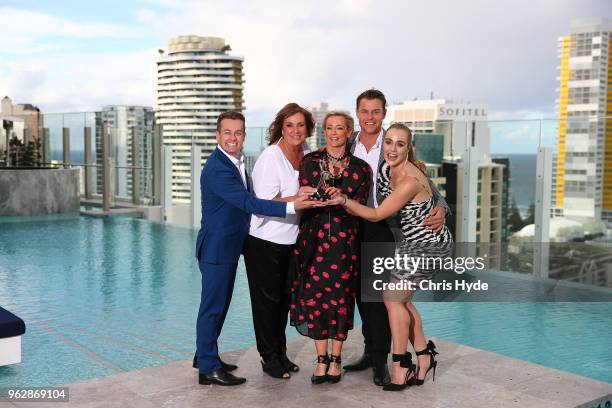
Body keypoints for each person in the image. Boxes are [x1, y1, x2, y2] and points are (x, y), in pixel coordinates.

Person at [194, 111, 320, 386]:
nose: (233, 137)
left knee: (220, 306)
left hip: (229, 246)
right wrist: (292, 205)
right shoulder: (218, 168)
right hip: (217, 248)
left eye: (238, 133)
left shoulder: (234, 162)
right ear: (217, 135)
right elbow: (250, 203)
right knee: (212, 309)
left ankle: (204, 355)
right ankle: (207, 368)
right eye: (227, 132)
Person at [327, 123, 452, 391]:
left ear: (409, 148)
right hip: (410, 244)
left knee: (393, 299)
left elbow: (376, 214)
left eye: (400, 144)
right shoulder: (386, 168)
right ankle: (424, 355)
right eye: (389, 142)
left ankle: (400, 365)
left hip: (430, 245)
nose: (392, 149)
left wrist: (343, 200)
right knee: (402, 302)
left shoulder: (410, 180)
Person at [289, 111, 371, 384]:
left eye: (340, 128)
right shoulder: (309, 161)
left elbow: (358, 206)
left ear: (349, 132)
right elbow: (308, 194)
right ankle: (321, 358)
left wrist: (340, 198)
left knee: (340, 300)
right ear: (324, 132)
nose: (334, 133)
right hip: (313, 241)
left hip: (345, 243)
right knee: (315, 299)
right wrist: (330, 196)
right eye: (329, 128)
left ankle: (336, 359)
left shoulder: (361, 168)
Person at [244, 103, 316, 379]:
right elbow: (260, 203)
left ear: (307, 128)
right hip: (265, 241)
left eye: (301, 125)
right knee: (267, 303)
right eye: (290, 125)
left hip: (292, 241)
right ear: (280, 128)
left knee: (284, 301)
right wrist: (298, 200)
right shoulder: (270, 157)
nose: (296, 130)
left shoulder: (307, 154)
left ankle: (280, 353)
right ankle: (268, 357)